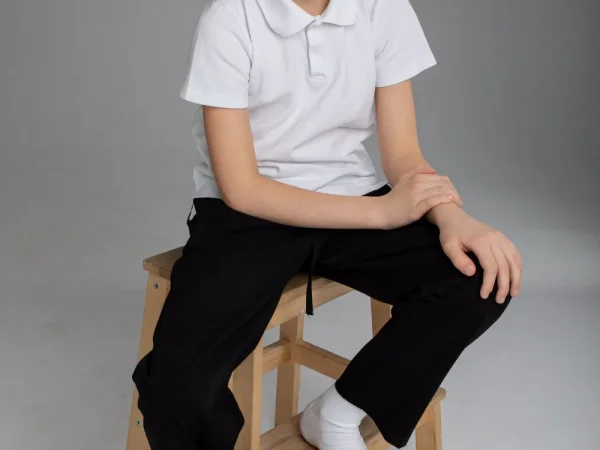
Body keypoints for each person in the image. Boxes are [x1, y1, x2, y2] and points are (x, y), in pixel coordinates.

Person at [132, 0, 523, 448]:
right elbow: (242, 188)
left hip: (350, 195)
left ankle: (336, 414)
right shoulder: (230, 17)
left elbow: (403, 157)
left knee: (480, 276)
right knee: (177, 387)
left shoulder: (382, 8)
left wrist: (452, 216)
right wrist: (383, 214)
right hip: (248, 216)